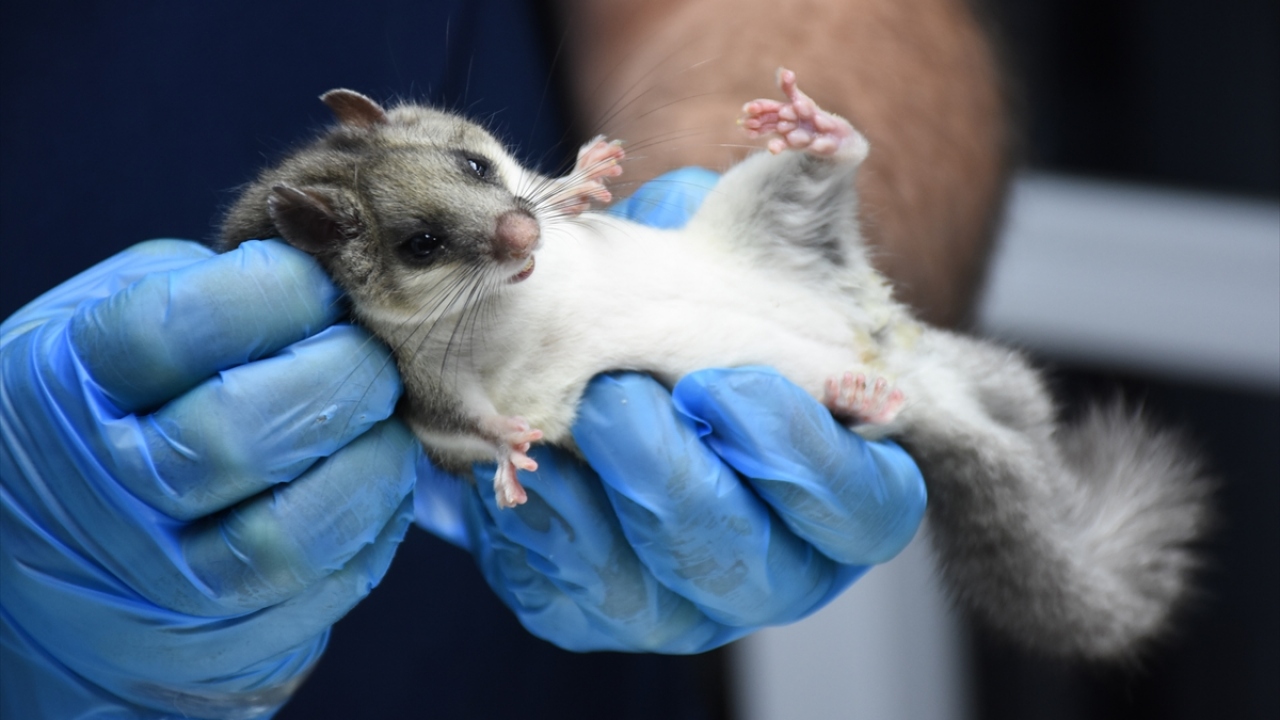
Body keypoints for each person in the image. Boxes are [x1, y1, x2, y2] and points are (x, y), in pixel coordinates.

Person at [0, 1, 1006, 717]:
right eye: (430, 242)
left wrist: (741, 276)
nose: (516, 228)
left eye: (483, 173)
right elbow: (443, 405)